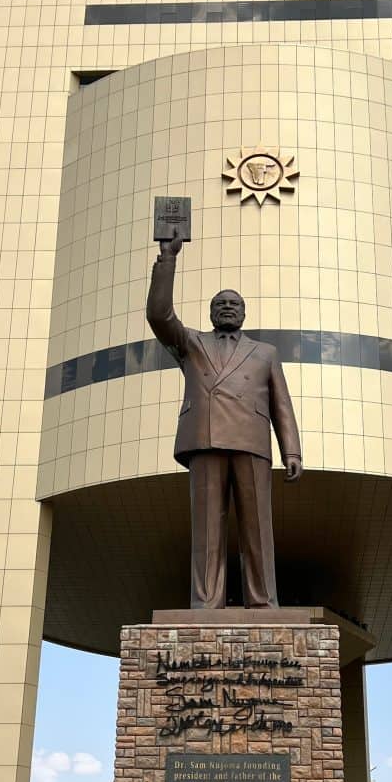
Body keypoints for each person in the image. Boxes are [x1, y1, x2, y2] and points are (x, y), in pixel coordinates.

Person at [146, 230, 302, 608]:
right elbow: (159, 315)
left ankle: (263, 602)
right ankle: (205, 603)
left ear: (244, 314)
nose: (228, 307)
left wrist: (292, 451)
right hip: (205, 439)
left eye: (234, 304)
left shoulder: (265, 352)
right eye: (220, 303)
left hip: (251, 442)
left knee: (257, 528)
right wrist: (168, 258)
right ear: (211, 313)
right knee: (207, 531)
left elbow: (281, 404)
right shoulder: (191, 343)